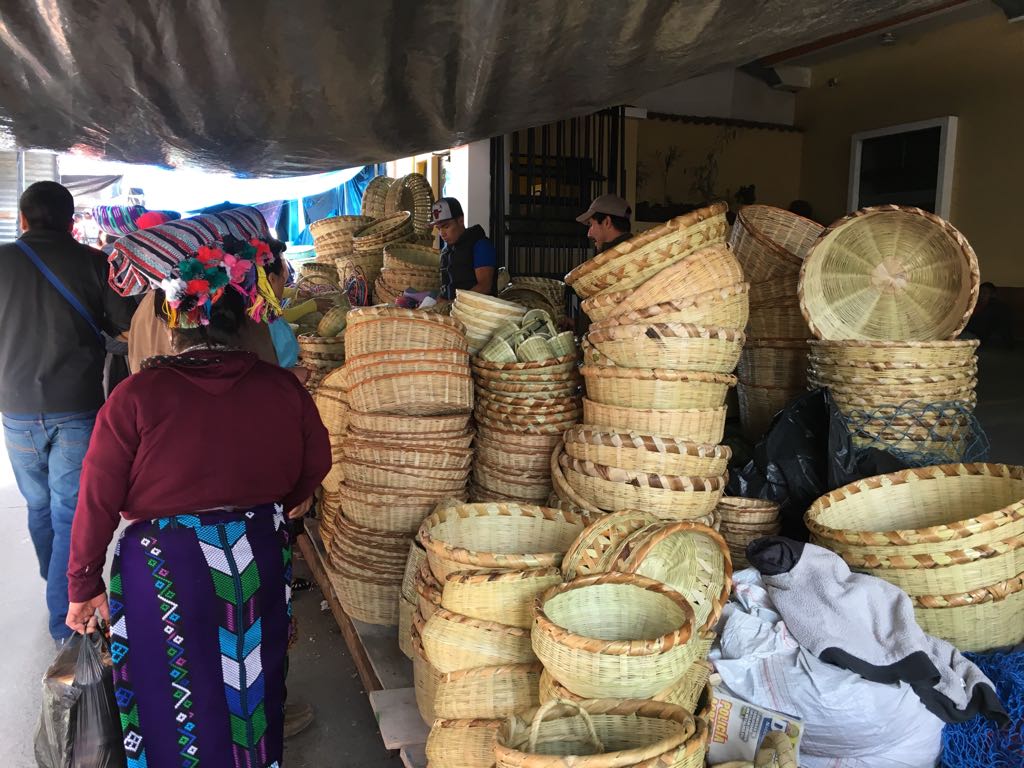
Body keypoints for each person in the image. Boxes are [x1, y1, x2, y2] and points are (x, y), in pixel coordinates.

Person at [65, 235, 331, 767]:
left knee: (169, 696)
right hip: (255, 554)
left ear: (175, 322)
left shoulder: (137, 395)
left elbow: (97, 495)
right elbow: (313, 468)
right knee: (250, 690)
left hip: (163, 567)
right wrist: (272, 508)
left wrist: (83, 584)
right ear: (248, 319)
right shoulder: (282, 389)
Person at [0, 181, 135, 645]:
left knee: (40, 506)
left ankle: (57, 595)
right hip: (76, 406)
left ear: (23, 219)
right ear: (70, 220)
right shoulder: (94, 262)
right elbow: (125, 325)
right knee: (66, 512)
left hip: (15, 408)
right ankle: (65, 621)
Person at [429, 197, 497, 299]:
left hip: (475, 311)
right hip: (451, 310)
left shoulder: (481, 245)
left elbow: (484, 287)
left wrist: (452, 304)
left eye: (446, 227)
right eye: (439, 228)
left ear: (460, 221)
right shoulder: (446, 251)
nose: (442, 233)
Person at [965, 282, 1015, 348]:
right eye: (980, 292)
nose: (981, 295)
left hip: (982, 338)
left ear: (992, 295)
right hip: (970, 333)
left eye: (985, 293)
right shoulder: (974, 303)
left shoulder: (998, 308)